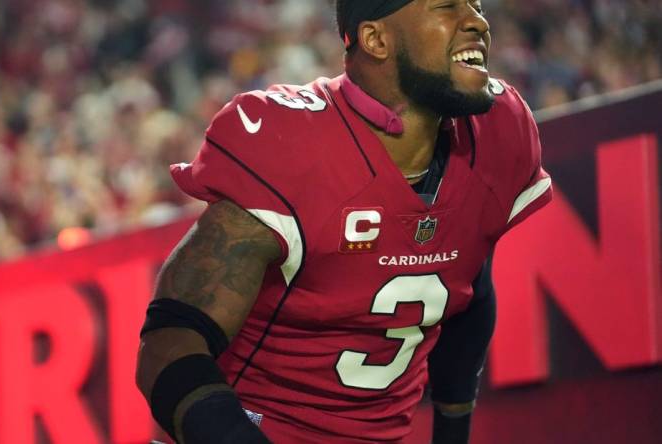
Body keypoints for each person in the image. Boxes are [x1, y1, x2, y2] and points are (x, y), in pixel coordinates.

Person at [136, 1, 553, 443]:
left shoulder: (499, 130)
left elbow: (467, 282)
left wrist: (453, 433)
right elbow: (169, 342)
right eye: (447, 6)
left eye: (476, 4)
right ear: (376, 40)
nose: (477, 22)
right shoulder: (292, 144)